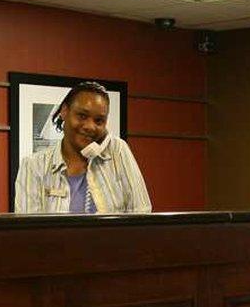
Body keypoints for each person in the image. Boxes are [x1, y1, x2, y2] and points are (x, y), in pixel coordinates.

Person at [14, 80, 152, 214]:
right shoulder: (34, 166)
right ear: (64, 111)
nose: (90, 127)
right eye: (82, 116)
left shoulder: (117, 151)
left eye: (99, 121)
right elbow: (29, 230)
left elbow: (141, 212)